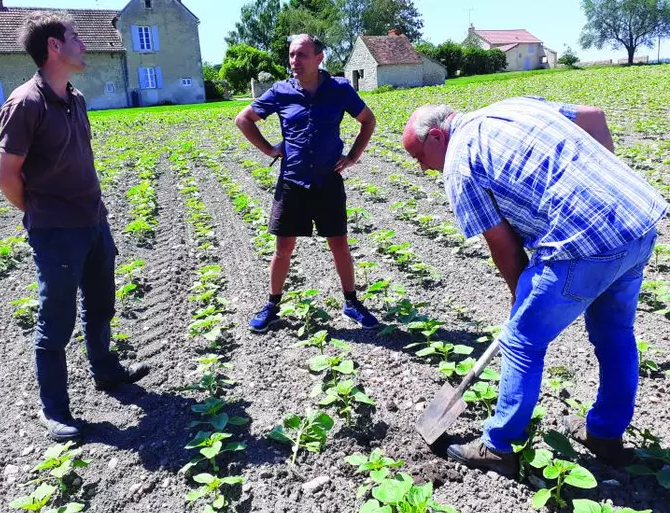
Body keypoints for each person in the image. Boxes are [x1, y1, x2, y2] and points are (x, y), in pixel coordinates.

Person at [402, 97, 667, 477]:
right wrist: (599, 196)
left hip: (583, 245)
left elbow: (506, 250)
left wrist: (518, 304)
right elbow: (594, 116)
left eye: (418, 157)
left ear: (438, 137)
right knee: (616, 335)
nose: (422, 167)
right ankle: (605, 435)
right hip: (636, 220)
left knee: (522, 341)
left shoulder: (459, 163)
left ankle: (498, 446)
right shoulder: (514, 106)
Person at [0, 12, 149, 441]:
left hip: (93, 223)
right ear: (54, 48)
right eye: (75, 37)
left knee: (100, 304)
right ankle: (56, 411)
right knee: (55, 322)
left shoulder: (75, 98)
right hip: (56, 232)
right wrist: (40, 213)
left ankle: (105, 371)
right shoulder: (25, 103)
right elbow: (6, 175)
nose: (83, 43)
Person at [235, 34, 380, 333]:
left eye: (301, 55)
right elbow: (243, 119)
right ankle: (272, 305)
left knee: (339, 244)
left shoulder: (339, 89)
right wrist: (269, 149)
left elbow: (368, 120)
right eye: (291, 55)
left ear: (319, 58)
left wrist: (353, 156)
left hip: (328, 181)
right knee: (283, 247)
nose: (294, 61)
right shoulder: (281, 91)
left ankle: (351, 302)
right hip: (293, 182)